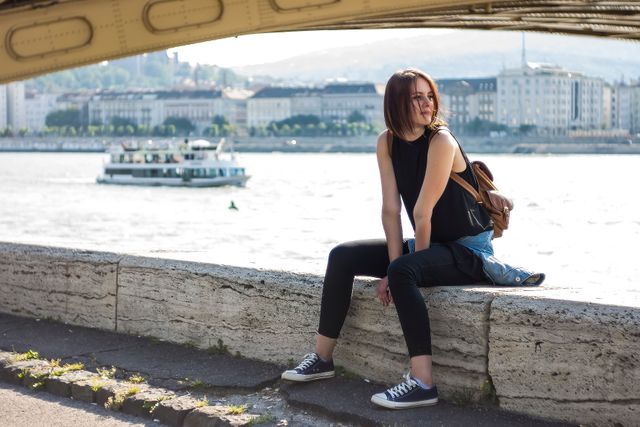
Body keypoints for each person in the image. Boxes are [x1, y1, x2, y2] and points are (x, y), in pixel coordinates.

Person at [281, 68, 544, 409]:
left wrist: (403, 268)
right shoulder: (386, 142)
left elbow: (422, 213)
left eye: (430, 96)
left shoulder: (441, 141)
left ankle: (423, 382)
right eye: (416, 97)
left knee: (405, 271)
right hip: (432, 244)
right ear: (396, 105)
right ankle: (321, 359)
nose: (426, 104)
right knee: (342, 256)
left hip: (467, 251)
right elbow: (391, 210)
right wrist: (396, 263)